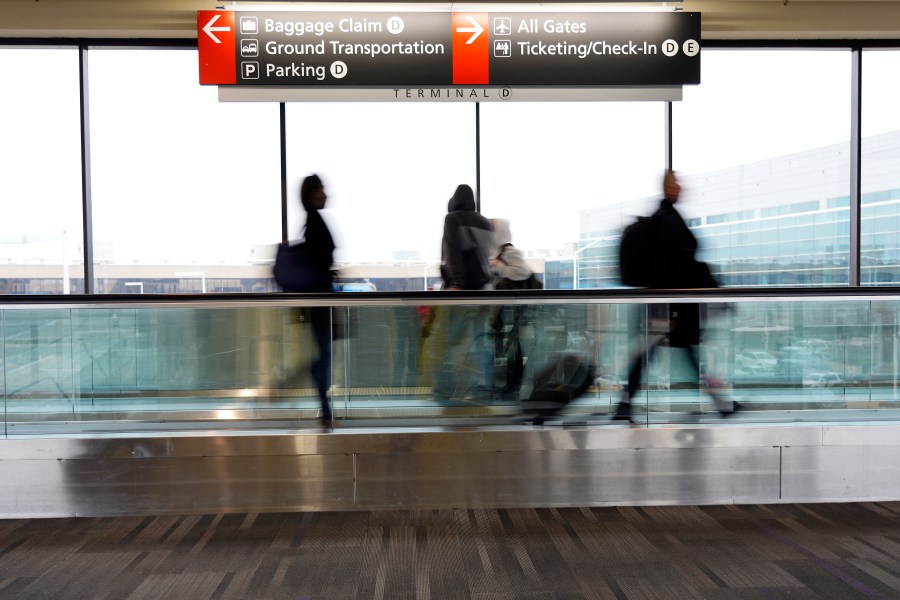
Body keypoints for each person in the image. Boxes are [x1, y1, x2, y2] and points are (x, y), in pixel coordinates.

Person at [614, 170, 741, 422]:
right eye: (676, 183)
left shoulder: (664, 218)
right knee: (676, 353)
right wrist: (714, 289)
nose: (680, 187)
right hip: (671, 307)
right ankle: (721, 404)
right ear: (667, 188)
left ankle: (625, 405)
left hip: (665, 305)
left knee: (662, 354)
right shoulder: (667, 220)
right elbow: (683, 265)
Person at [431, 184, 494, 402]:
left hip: (462, 292)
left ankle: (444, 390)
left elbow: (452, 253)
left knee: (446, 342)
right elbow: (487, 259)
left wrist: (455, 283)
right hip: (485, 292)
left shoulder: (453, 219)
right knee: (481, 341)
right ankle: (483, 388)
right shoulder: (486, 223)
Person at [298, 174, 336, 427]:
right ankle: (324, 406)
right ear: (313, 193)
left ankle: (325, 405)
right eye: (322, 189)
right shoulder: (314, 223)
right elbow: (318, 262)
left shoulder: (312, 222)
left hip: (319, 300)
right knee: (324, 355)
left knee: (324, 353)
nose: (326, 193)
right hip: (320, 300)